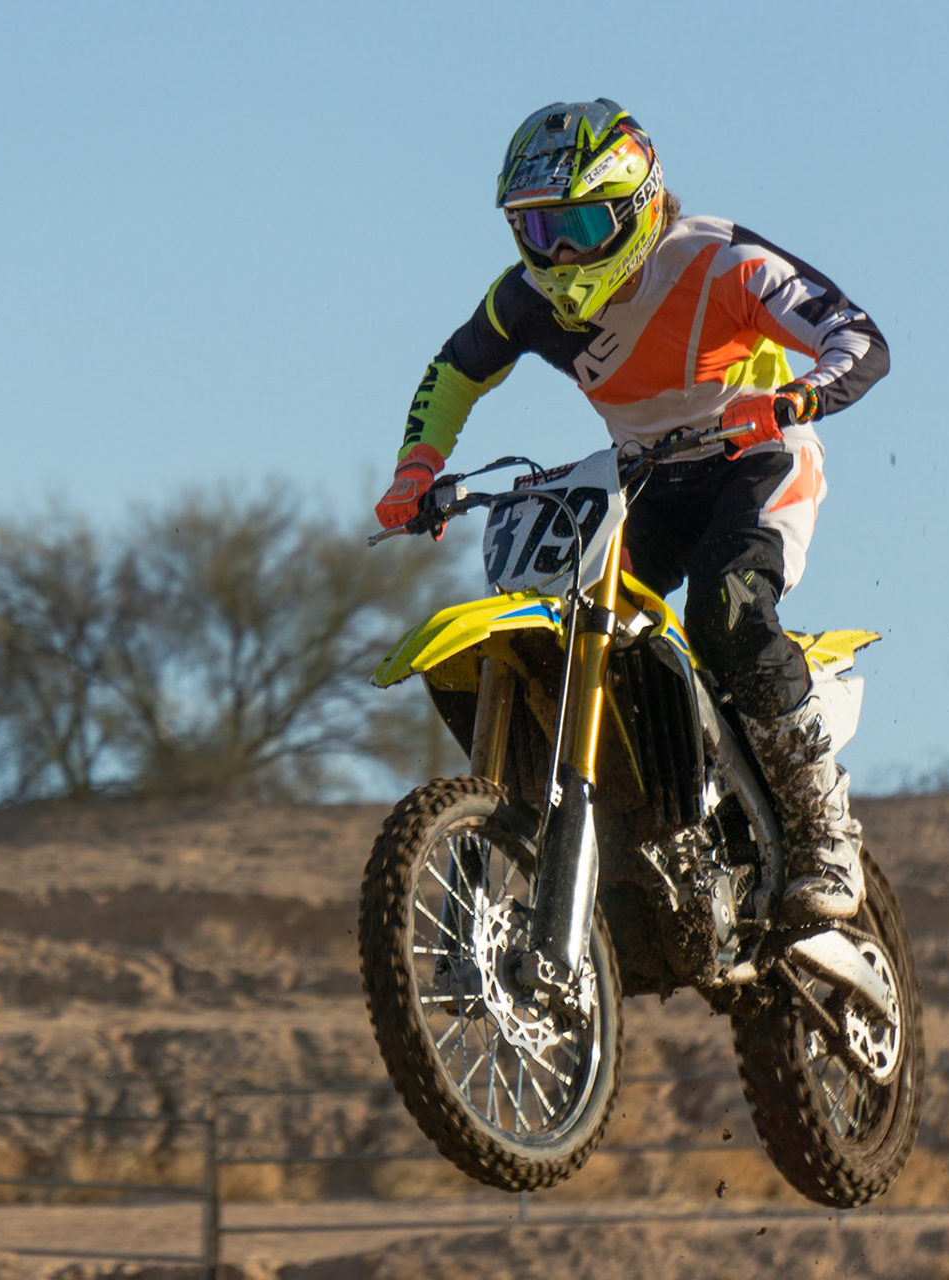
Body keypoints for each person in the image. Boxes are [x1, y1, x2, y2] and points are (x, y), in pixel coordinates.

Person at [375, 99, 889, 924]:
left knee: (727, 613)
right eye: (539, 229)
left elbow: (858, 338)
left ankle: (821, 825)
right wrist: (417, 469)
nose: (561, 252)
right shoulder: (524, 300)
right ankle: (632, 822)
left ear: (638, 207)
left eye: (579, 224)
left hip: (755, 459)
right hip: (644, 478)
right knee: (567, 619)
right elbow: (455, 370)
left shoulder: (717, 260)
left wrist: (793, 398)